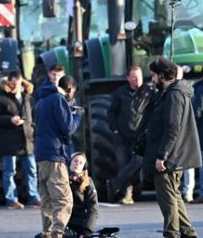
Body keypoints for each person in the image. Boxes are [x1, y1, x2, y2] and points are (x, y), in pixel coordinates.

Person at [143, 58, 200, 238]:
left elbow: (172, 128)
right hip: (174, 156)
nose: (152, 79)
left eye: (153, 75)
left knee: (168, 201)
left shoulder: (174, 95)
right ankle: (188, 233)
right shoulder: (172, 93)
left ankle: (172, 234)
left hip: (169, 159)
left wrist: (162, 156)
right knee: (175, 197)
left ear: (161, 75)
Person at [35, 75, 82, 238]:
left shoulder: (42, 101)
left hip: (41, 156)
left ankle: (47, 233)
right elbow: (68, 128)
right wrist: (77, 116)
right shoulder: (58, 99)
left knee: (47, 200)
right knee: (64, 200)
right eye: (73, 91)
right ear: (70, 88)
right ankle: (57, 233)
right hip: (55, 155)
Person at [0, 69, 41, 209]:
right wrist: (10, 120)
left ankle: (34, 196)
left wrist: (33, 128)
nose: (13, 87)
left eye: (16, 84)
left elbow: (33, 116)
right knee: (9, 170)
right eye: (11, 84)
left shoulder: (27, 97)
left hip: (27, 139)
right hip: (8, 139)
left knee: (31, 170)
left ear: (21, 82)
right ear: (8, 82)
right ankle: (11, 199)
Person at [106, 65, 145, 204]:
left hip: (140, 136)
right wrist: (115, 129)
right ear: (128, 78)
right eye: (134, 77)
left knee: (136, 163)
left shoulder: (148, 92)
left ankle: (115, 185)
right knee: (123, 165)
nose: (137, 80)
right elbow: (111, 112)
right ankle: (127, 194)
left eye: (139, 77)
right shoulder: (120, 93)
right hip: (122, 136)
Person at [66, 153, 98, 238]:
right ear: (70, 163)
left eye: (81, 163)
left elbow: (93, 208)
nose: (77, 164)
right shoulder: (62, 180)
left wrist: (87, 230)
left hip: (79, 224)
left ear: (84, 167)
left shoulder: (88, 182)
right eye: (75, 161)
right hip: (63, 222)